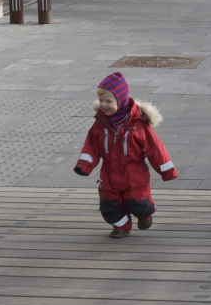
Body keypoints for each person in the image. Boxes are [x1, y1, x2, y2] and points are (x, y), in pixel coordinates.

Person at [74, 72, 178, 238]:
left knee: (138, 203)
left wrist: (167, 170)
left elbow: (155, 148)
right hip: (109, 175)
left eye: (109, 101)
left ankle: (146, 214)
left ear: (121, 100)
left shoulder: (138, 124)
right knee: (109, 206)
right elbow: (91, 146)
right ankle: (121, 227)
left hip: (134, 175)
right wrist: (84, 165)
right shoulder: (100, 124)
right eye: (101, 101)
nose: (104, 105)